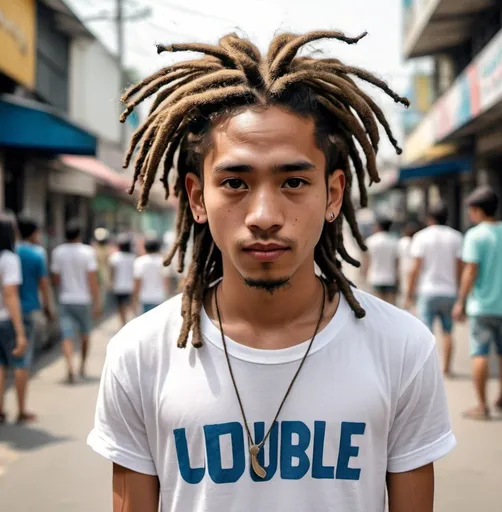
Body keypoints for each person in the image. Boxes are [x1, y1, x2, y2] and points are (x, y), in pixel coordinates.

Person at [88, 31, 455, 512]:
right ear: (198, 198)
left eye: (294, 181)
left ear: (333, 194)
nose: (264, 214)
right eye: (236, 182)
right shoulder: (138, 356)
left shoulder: (403, 350)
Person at [453, 186, 502, 420]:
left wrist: (460, 301)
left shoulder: (475, 235)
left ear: (477, 210)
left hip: (481, 308)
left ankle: (482, 405)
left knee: (480, 353)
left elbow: (470, 271)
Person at [406, 204, 463, 377]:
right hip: (449, 291)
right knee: (448, 331)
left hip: (427, 290)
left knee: (425, 333)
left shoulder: (421, 237)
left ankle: (428, 369)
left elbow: (415, 268)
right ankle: (446, 368)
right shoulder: (456, 237)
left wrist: (409, 293)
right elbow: (460, 267)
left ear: (429, 218)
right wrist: (461, 295)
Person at [51, 220, 101, 383]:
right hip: (83, 299)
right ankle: (82, 366)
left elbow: (56, 278)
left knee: (67, 336)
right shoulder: (88, 252)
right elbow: (92, 279)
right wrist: (97, 301)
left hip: (66, 299)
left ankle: (69, 367)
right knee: (85, 334)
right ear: (79, 234)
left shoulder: (58, 252)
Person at [15, 216, 54, 422]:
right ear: (32, 233)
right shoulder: (36, 254)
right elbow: (44, 284)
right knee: (22, 361)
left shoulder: (9, 253)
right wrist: (49, 308)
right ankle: (21, 410)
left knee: (2, 363)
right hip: (28, 310)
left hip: (5, 313)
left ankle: (2, 410)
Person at [0, 214, 27, 423]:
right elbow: (10, 295)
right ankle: (20, 410)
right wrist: (20, 332)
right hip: (4, 319)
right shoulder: (9, 258)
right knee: (17, 363)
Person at [363, 218, 399, 304]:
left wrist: (363, 274)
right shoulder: (394, 241)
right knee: (389, 307)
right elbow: (397, 262)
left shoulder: (371, 240)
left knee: (376, 306)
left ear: (378, 227)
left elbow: (367, 260)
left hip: (374, 277)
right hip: (390, 278)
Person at [132, 237, 171, 314]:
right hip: (160, 297)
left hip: (145, 298)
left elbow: (137, 283)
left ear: (145, 248)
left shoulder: (139, 261)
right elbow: (166, 281)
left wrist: (134, 299)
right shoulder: (164, 261)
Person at [108, 234, 136, 327]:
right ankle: (132, 323)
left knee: (120, 307)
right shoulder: (133, 257)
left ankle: (123, 324)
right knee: (131, 306)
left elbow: (112, 272)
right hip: (131, 286)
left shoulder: (114, 257)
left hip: (118, 286)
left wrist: (111, 283)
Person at [397, 221, 420, 307]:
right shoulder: (417, 240)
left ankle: (406, 305)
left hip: (405, 268)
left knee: (405, 289)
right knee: (414, 290)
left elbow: (399, 257)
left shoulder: (402, 241)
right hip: (414, 267)